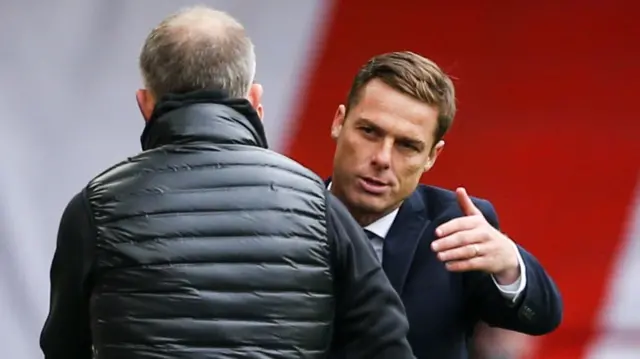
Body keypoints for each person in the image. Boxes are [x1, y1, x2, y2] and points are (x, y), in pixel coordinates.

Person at [39, 7, 415, 359]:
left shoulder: (96, 207)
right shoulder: (318, 206)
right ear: (254, 100)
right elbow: (385, 343)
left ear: (146, 104)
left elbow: (62, 346)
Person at [327, 51, 563, 359]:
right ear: (339, 123)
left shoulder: (454, 226)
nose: (382, 159)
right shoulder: (283, 214)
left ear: (431, 156)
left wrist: (509, 264)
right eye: (370, 132)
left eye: (407, 145)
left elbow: (542, 316)